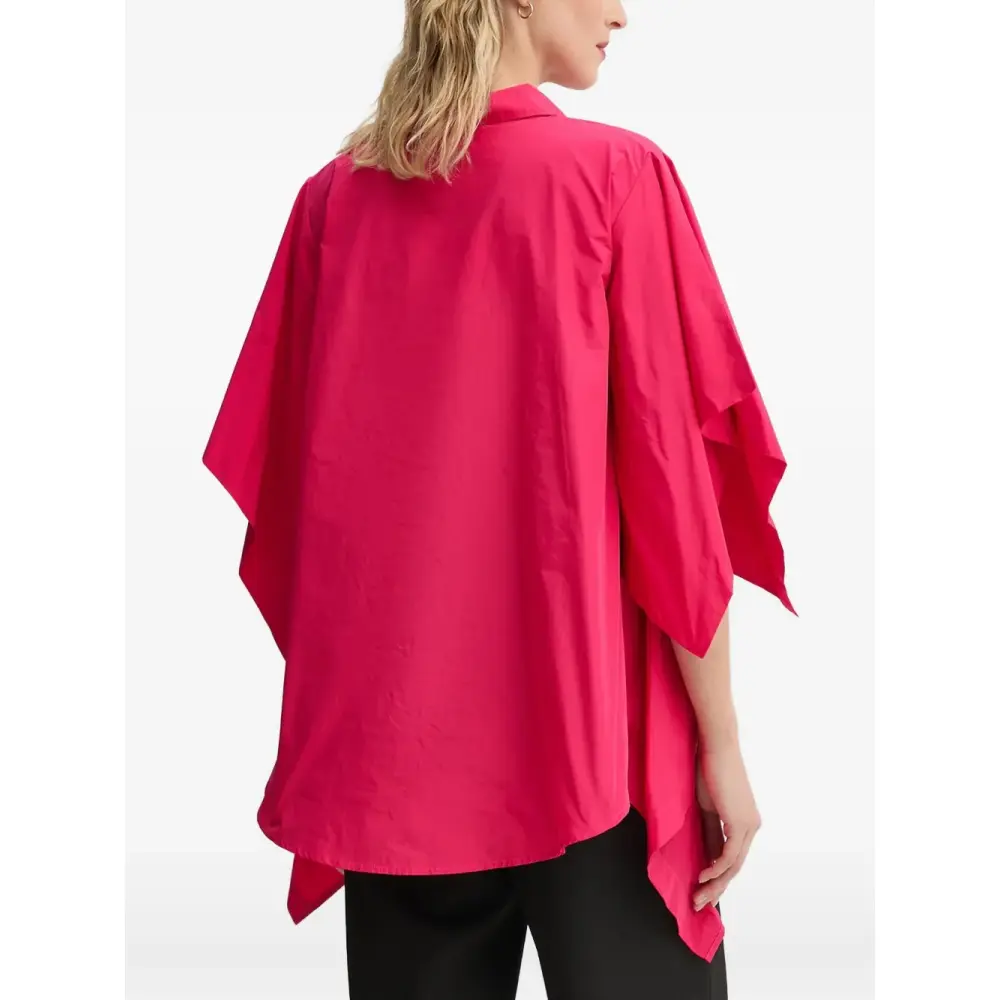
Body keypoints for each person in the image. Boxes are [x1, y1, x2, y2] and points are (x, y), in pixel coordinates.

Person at [203, 1, 794, 996]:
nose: (621, 13)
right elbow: (674, 499)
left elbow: (292, 500)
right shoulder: (615, 176)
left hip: (393, 754)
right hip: (592, 744)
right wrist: (721, 743)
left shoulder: (332, 203)